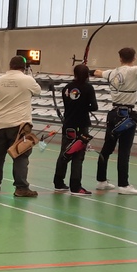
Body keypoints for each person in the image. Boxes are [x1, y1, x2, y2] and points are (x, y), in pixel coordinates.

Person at [92, 48, 137, 195]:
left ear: (120, 58)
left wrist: (87, 70)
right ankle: (123, 185)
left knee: (107, 148)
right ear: (134, 58)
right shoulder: (133, 71)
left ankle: (101, 181)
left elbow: (97, 72)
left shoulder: (112, 72)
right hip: (126, 116)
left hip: (113, 114)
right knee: (124, 150)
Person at [0, 56, 42, 197]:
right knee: (21, 156)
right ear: (24, 67)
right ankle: (21, 188)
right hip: (19, 124)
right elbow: (38, 91)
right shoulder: (27, 80)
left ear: (10, 65)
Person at [52, 64, 98, 196]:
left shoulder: (67, 88)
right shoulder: (88, 88)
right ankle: (75, 186)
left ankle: (58, 183)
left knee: (64, 153)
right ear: (87, 75)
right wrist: (84, 106)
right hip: (81, 125)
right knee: (78, 156)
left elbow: (68, 105)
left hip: (68, 124)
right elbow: (94, 106)